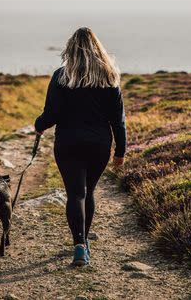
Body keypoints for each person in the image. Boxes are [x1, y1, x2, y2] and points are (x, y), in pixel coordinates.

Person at [34, 27, 126, 267]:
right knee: (89, 192)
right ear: (98, 49)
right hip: (99, 145)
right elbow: (118, 121)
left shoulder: (61, 76)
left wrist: (39, 125)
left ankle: (80, 246)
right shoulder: (110, 77)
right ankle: (84, 242)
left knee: (76, 193)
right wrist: (120, 151)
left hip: (69, 143)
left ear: (70, 49)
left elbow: (51, 114)